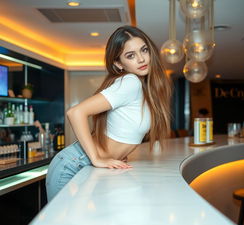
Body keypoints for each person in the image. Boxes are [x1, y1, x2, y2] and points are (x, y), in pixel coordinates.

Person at [46, 25, 172, 201]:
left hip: (83, 164)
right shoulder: (131, 82)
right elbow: (76, 113)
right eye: (131, 55)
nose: (142, 59)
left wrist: (119, 153)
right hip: (73, 165)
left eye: (144, 50)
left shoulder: (143, 88)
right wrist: (97, 158)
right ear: (119, 63)